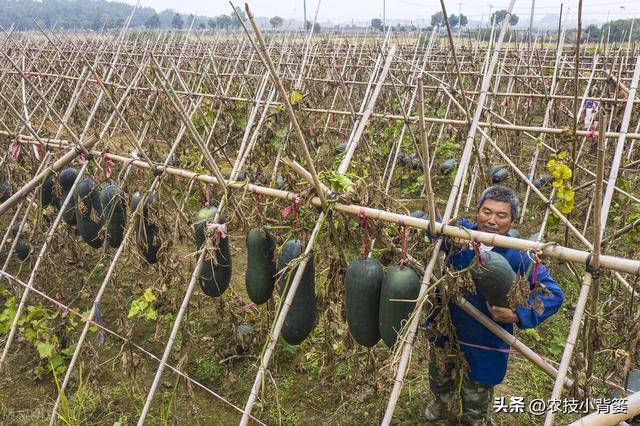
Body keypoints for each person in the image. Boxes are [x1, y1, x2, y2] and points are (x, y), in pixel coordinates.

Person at [424, 185, 564, 425]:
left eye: (501, 215)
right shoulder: (461, 234)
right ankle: (441, 400)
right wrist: (445, 230)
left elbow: (554, 294)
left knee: (476, 394)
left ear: (512, 221)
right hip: (446, 327)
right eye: (486, 212)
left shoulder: (520, 254)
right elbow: (432, 230)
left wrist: (518, 314)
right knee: (440, 374)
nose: (491, 220)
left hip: (486, 338)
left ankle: (476, 418)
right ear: (477, 212)